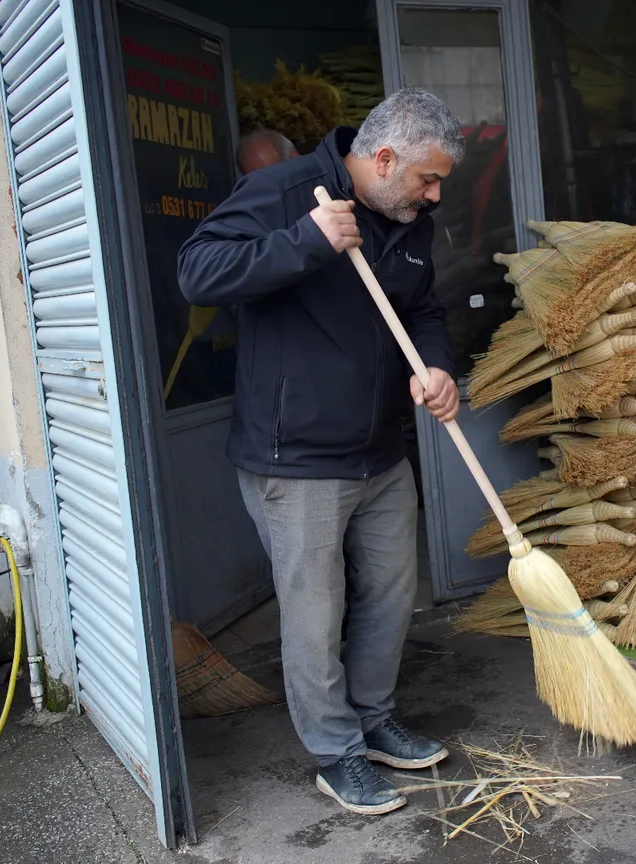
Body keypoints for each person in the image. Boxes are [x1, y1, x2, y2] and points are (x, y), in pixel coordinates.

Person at [177, 88, 464, 817]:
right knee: (313, 612)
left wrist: (435, 368)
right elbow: (197, 273)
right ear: (384, 157)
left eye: (439, 184)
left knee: (392, 595)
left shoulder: (408, 216)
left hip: (379, 449)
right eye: (427, 179)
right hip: (294, 458)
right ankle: (335, 754)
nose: (434, 195)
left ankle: (372, 720)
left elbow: (421, 307)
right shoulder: (281, 191)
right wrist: (306, 239)